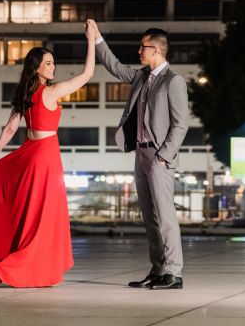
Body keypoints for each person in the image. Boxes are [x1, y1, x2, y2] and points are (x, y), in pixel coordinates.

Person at [0, 25, 96, 287]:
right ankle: (20, 266)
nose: (53, 67)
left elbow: (10, 129)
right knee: (43, 214)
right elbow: (87, 74)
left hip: (29, 153)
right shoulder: (50, 92)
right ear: (37, 68)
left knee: (29, 211)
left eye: (53, 63)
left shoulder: (25, 94)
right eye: (48, 64)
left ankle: (31, 264)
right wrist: (91, 41)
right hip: (46, 157)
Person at [87, 19, 188, 290]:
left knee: (165, 215)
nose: (139, 51)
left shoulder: (173, 81)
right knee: (149, 216)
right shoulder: (142, 76)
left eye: (143, 47)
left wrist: (164, 156)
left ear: (155, 50)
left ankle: (174, 273)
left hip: (159, 157)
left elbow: (181, 123)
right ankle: (158, 270)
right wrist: (97, 39)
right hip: (140, 155)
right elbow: (116, 67)